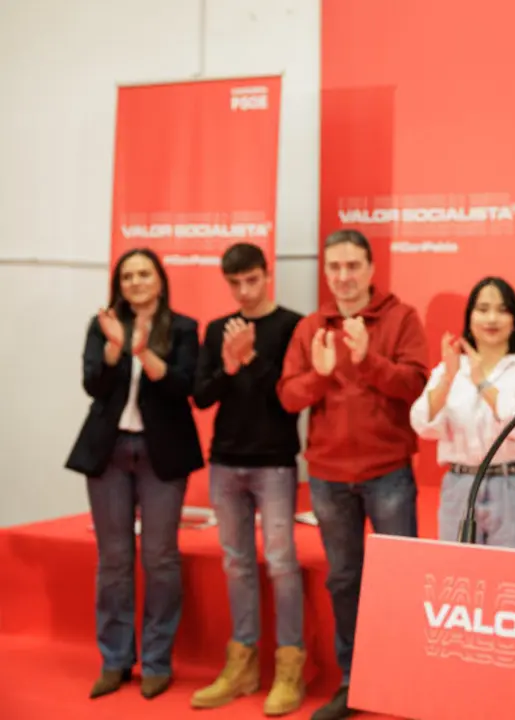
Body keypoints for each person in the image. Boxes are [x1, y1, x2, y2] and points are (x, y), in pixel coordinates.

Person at [277, 229, 429, 720]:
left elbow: (416, 386)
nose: (343, 276)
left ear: (370, 269)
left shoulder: (401, 318)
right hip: (328, 475)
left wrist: (368, 361)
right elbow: (289, 397)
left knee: (400, 580)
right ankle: (354, 680)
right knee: (344, 580)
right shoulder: (311, 327)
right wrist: (322, 375)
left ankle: (406, 679)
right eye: (334, 267)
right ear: (325, 272)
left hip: (388, 472)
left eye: (352, 266)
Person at [65, 247, 203, 700]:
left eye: (144, 274)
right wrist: (113, 349)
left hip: (162, 452)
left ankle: (157, 660)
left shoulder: (183, 328)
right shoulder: (103, 324)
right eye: (127, 276)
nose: (136, 282)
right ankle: (115, 659)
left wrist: (143, 352)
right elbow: (94, 385)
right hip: (110, 452)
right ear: (119, 285)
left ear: (159, 280)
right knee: (114, 560)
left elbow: (184, 387)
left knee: (160, 558)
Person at [190, 243, 306, 715]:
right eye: (235, 283)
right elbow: (201, 396)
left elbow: (288, 398)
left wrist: (252, 359)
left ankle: (290, 666)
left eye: (251, 280)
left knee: (280, 561)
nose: (244, 291)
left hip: (274, 461)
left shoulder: (292, 325)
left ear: (267, 274)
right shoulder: (219, 327)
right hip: (225, 460)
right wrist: (228, 365)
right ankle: (242, 664)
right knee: (236, 562)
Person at [411, 277, 515, 549]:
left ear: (514, 320)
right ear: (470, 317)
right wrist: (448, 378)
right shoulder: (450, 369)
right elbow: (423, 424)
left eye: (502, 310)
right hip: (460, 484)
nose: (491, 318)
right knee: (458, 571)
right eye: (483, 309)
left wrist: (482, 382)